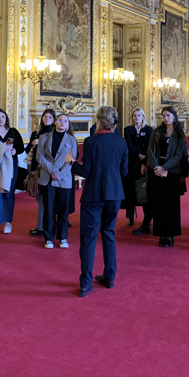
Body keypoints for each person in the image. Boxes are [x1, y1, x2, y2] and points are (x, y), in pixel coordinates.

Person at [64, 106, 128, 297]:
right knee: (109, 234)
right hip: (115, 194)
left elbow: (85, 172)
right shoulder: (121, 142)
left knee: (89, 238)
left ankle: (85, 283)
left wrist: (70, 161)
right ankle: (110, 277)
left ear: (98, 121)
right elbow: (124, 171)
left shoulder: (91, 141)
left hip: (93, 196)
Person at [146, 106, 187, 247]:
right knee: (159, 203)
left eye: (168, 115)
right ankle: (160, 233)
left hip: (172, 171)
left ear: (174, 117)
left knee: (172, 204)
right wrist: (157, 167)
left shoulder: (179, 134)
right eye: (163, 115)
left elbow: (178, 155)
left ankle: (170, 234)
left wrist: (165, 167)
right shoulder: (157, 132)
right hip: (157, 169)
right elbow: (150, 150)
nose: (165, 118)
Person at [37, 112, 78, 249]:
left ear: (68, 124)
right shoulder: (44, 137)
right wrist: (52, 171)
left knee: (63, 210)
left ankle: (62, 237)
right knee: (48, 209)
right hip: (47, 177)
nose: (62, 123)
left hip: (64, 179)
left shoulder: (72, 140)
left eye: (65, 121)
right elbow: (40, 157)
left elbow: (72, 160)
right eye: (60, 120)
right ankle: (48, 238)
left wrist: (59, 174)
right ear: (55, 122)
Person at [27, 108, 57, 236]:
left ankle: (44, 227)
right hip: (36, 168)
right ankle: (41, 226)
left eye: (50, 117)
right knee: (40, 198)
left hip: (48, 170)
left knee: (47, 199)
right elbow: (27, 150)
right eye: (45, 117)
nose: (47, 119)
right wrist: (33, 143)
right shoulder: (36, 132)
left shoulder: (55, 133)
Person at [123, 108, 151, 228]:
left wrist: (144, 159)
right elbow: (128, 145)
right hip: (131, 163)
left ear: (143, 117)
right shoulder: (128, 129)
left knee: (144, 191)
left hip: (144, 164)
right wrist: (139, 154)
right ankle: (130, 217)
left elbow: (149, 145)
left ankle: (147, 220)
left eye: (139, 115)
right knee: (130, 191)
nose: (136, 117)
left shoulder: (149, 130)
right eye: (134, 115)